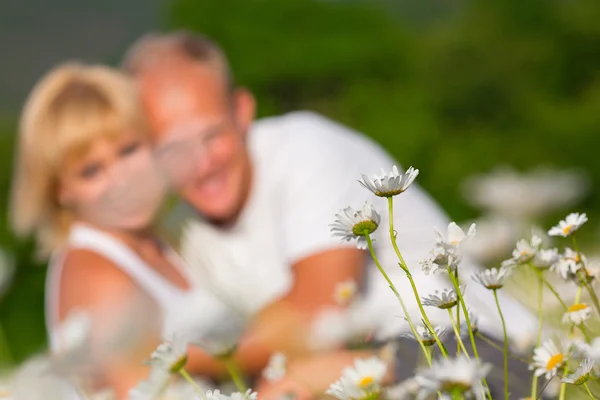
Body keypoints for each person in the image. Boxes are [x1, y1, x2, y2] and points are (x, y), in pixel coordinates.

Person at [121, 31, 538, 398]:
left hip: (479, 352)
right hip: (351, 369)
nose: (200, 163)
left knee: (292, 386)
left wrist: (184, 359)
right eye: (174, 150)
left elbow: (317, 316)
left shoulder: (306, 148)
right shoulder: (179, 230)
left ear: (242, 110)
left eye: (211, 135)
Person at [8, 63, 228, 399]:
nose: (121, 182)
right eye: (91, 171)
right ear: (59, 190)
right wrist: (266, 349)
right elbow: (145, 391)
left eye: (128, 150)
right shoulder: (95, 275)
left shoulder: (165, 240)